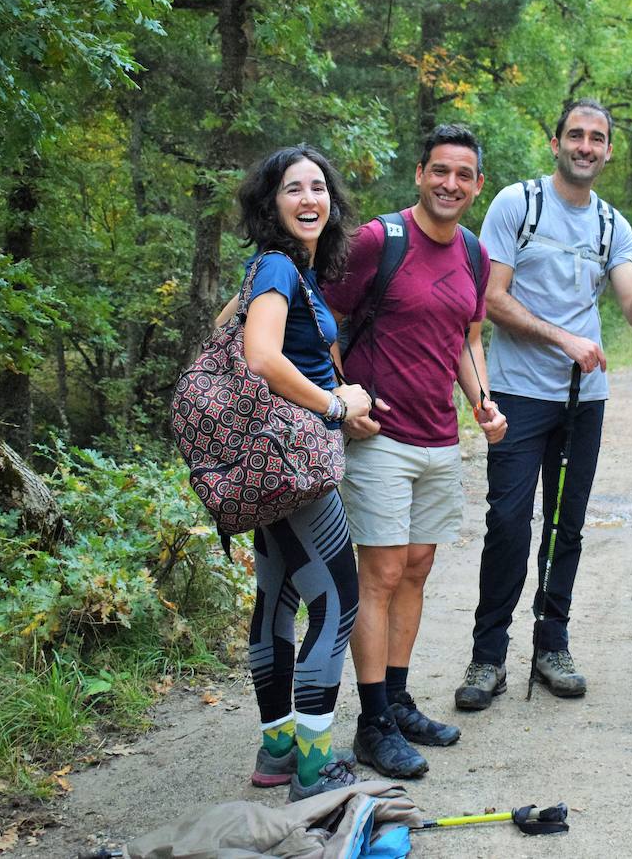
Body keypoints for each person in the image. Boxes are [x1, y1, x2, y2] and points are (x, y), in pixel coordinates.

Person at [455, 99, 632, 709]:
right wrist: (563, 337)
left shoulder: (612, 226)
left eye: (597, 138)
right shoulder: (518, 205)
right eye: (576, 135)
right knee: (506, 524)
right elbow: (490, 299)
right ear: (555, 142)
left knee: (564, 526)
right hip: (519, 393)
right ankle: (487, 658)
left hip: (583, 400)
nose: (586, 146)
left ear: (607, 151)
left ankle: (552, 645)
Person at [323, 124, 508, 778]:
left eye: (463, 175)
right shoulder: (380, 239)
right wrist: (341, 399)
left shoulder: (474, 254)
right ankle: (372, 723)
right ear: (421, 174)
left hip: (440, 438)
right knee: (380, 574)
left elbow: (467, 336)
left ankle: (397, 702)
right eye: (440, 171)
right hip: (380, 440)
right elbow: (319, 317)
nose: (450, 184)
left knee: (419, 567)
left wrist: (481, 400)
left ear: (477, 185)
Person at [214, 145, 372, 802]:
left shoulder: (270, 271)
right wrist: (335, 402)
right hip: (292, 464)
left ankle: (277, 748)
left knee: (276, 599)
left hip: (263, 462)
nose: (310, 199)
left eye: (318, 187)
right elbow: (257, 356)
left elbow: (222, 330)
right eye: (293, 189)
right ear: (270, 203)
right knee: (337, 603)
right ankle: (314, 763)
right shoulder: (278, 266)